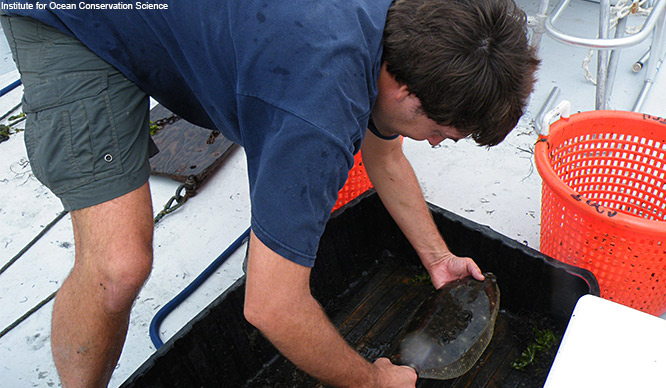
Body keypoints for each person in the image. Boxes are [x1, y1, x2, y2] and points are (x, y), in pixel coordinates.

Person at [0, 0, 539, 386]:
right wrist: (372, 382)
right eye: (442, 134)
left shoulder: (404, 29)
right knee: (118, 265)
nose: (437, 144)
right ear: (404, 91)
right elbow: (271, 306)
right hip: (75, 16)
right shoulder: (319, 113)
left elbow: (385, 150)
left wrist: (438, 256)